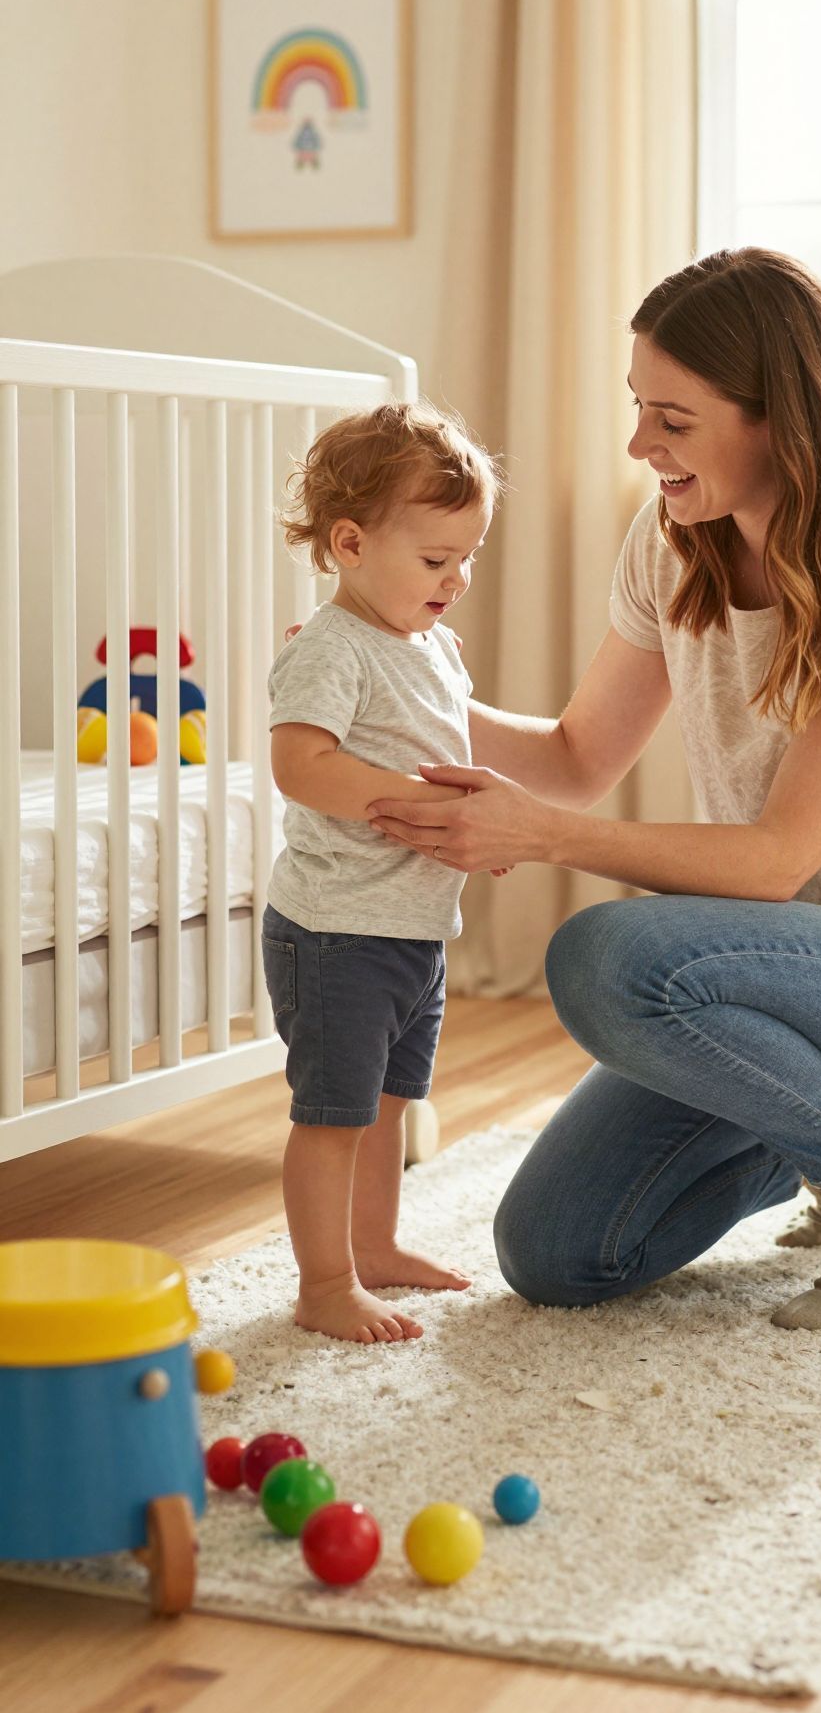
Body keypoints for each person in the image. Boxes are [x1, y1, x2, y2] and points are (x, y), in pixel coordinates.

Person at [369, 249, 821, 1330]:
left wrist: (543, 836)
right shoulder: (672, 541)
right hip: (763, 981)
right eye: (639, 409)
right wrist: (389, 680)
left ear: (777, 417)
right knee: (554, 1251)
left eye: (673, 420)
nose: (641, 445)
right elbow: (576, 753)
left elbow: (777, 857)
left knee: (601, 956)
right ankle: (810, 1134)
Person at [263, 399, 507, 1345]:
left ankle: (376, 1245)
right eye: (436, 560)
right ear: (352, 543)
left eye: (467, 558)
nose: (458, 579)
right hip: (336, 930)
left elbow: (444, 753)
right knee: (333, 1116)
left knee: (393, 1104)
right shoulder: (331, 649)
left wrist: (475, 821)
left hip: (410, 926)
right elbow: (302, 766)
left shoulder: (431, 644)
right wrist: (420, 806)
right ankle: (324, 1283)